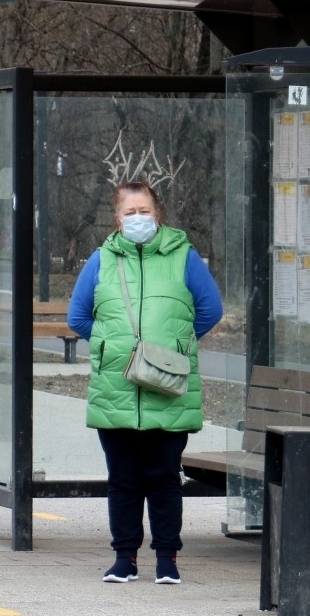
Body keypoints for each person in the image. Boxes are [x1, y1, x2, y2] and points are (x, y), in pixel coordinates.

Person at [68, 180, 223, 585]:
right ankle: (124, 558)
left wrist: (175, 348)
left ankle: (167, 559)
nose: (138, 218)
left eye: (145, 211)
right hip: (116, 387)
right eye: (130, 212)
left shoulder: (184, 256)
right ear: (117, 219)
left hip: (168, 387)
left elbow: (209, 310)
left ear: (159, 214)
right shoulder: (101, 259)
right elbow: (78, 317)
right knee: (122, 479)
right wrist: (109, 347)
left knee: (163, 477)